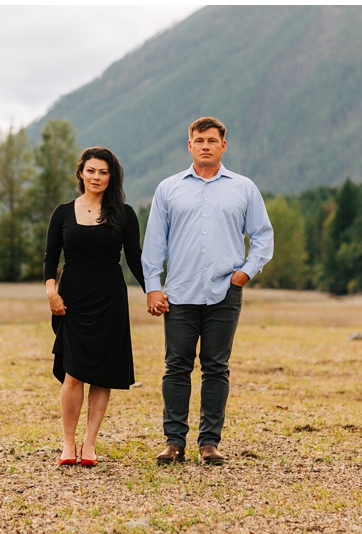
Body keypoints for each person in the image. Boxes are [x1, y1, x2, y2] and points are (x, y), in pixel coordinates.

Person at [141, 116, 273, 466]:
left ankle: (209, 442)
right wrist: (153, 288)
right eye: (199, 140)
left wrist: (245, 272)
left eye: (212, 140)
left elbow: (263, 235)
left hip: (224, 292)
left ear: (223, 146)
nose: (205, 145)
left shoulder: (244, 188)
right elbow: (154, 244)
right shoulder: (168, 189)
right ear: (189, 145)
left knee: (216, 367)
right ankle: (174, 442)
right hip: (179, 293)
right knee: (176, 366)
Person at [43, 147, 147, 467]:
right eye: (91, 171)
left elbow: (134, 259)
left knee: (102, 374)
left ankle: (90, 444)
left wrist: (153, 291)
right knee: (73, 374)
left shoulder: (124, 214)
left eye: (103, 172)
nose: (97, 177)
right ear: (80, 173)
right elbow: (50, 258)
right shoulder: (62, 212)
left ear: (111, 176)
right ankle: (68, 443)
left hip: (110, 299)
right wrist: (51, 291)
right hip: (72, 300)